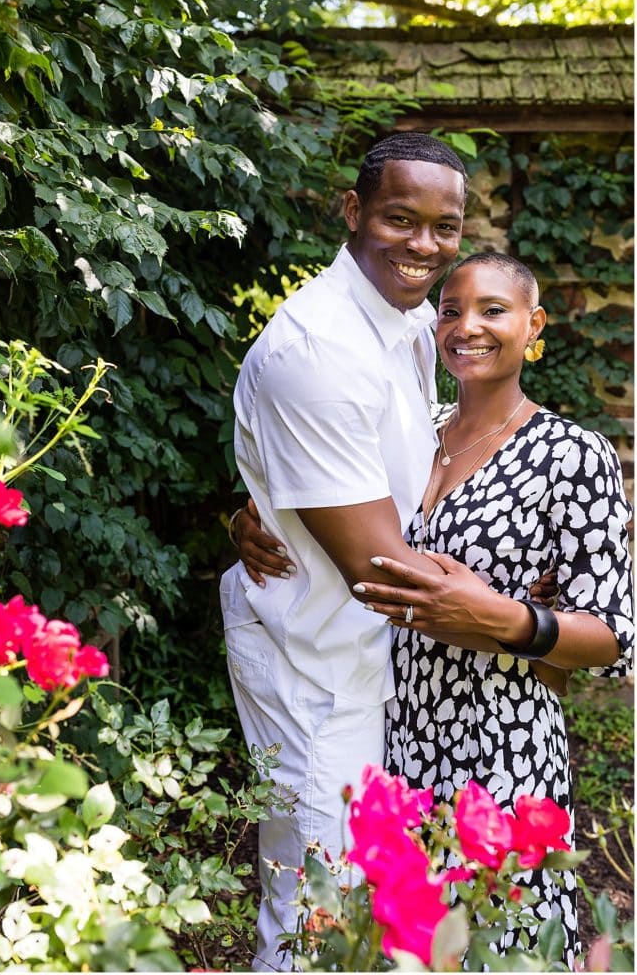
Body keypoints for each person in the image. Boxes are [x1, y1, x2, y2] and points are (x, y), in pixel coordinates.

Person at [237, 252, 634, 964]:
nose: (466, 327)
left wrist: (502, 618)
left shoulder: (572, 454)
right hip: (391, 729)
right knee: (400, 944)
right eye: (451, 310)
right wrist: (260, 517)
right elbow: (330, 494)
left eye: (493, 310)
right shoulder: (416, 430)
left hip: (500, 746)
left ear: (533, 325)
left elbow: (612, 635)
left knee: (497, 943)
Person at [220, 131, 472, 970]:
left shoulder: (401, 325)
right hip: (317, 667)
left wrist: (265, 512)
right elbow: (380, 569)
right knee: (316, 910)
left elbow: (381, 476)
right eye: (401, 218)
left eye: (446, 227)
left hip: (369, 659)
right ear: (354, 211)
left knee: (357, 902)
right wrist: (541, 623)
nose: (425, 246)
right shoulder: (318, 350)